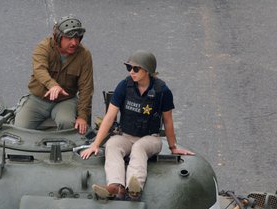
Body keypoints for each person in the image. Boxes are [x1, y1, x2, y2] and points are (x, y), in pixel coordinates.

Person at [80, 50, 195, 200]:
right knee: (112, 144)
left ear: (147, 71)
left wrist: (173, 147)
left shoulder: (162, 91)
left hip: (150, 138)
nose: (131, 72)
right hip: (126, 135)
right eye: (129, 68)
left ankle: (134, 189)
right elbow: (109, 116)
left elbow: (168, 120)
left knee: (139, 148)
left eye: (135, 69)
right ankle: (117, 187)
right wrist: (95, 144)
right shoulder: (124, 86)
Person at [14, 15, 93, 135]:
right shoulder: (43, 48)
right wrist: (52, 85)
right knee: (19, 129)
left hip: (66, 100)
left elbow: (86, 87)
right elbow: (39, 70)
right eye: (69, 38)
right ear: (58, 37)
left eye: (77, 38)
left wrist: (82, 116)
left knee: (68, 125)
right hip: (38, 99)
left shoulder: (84, 55)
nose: (74, 43)